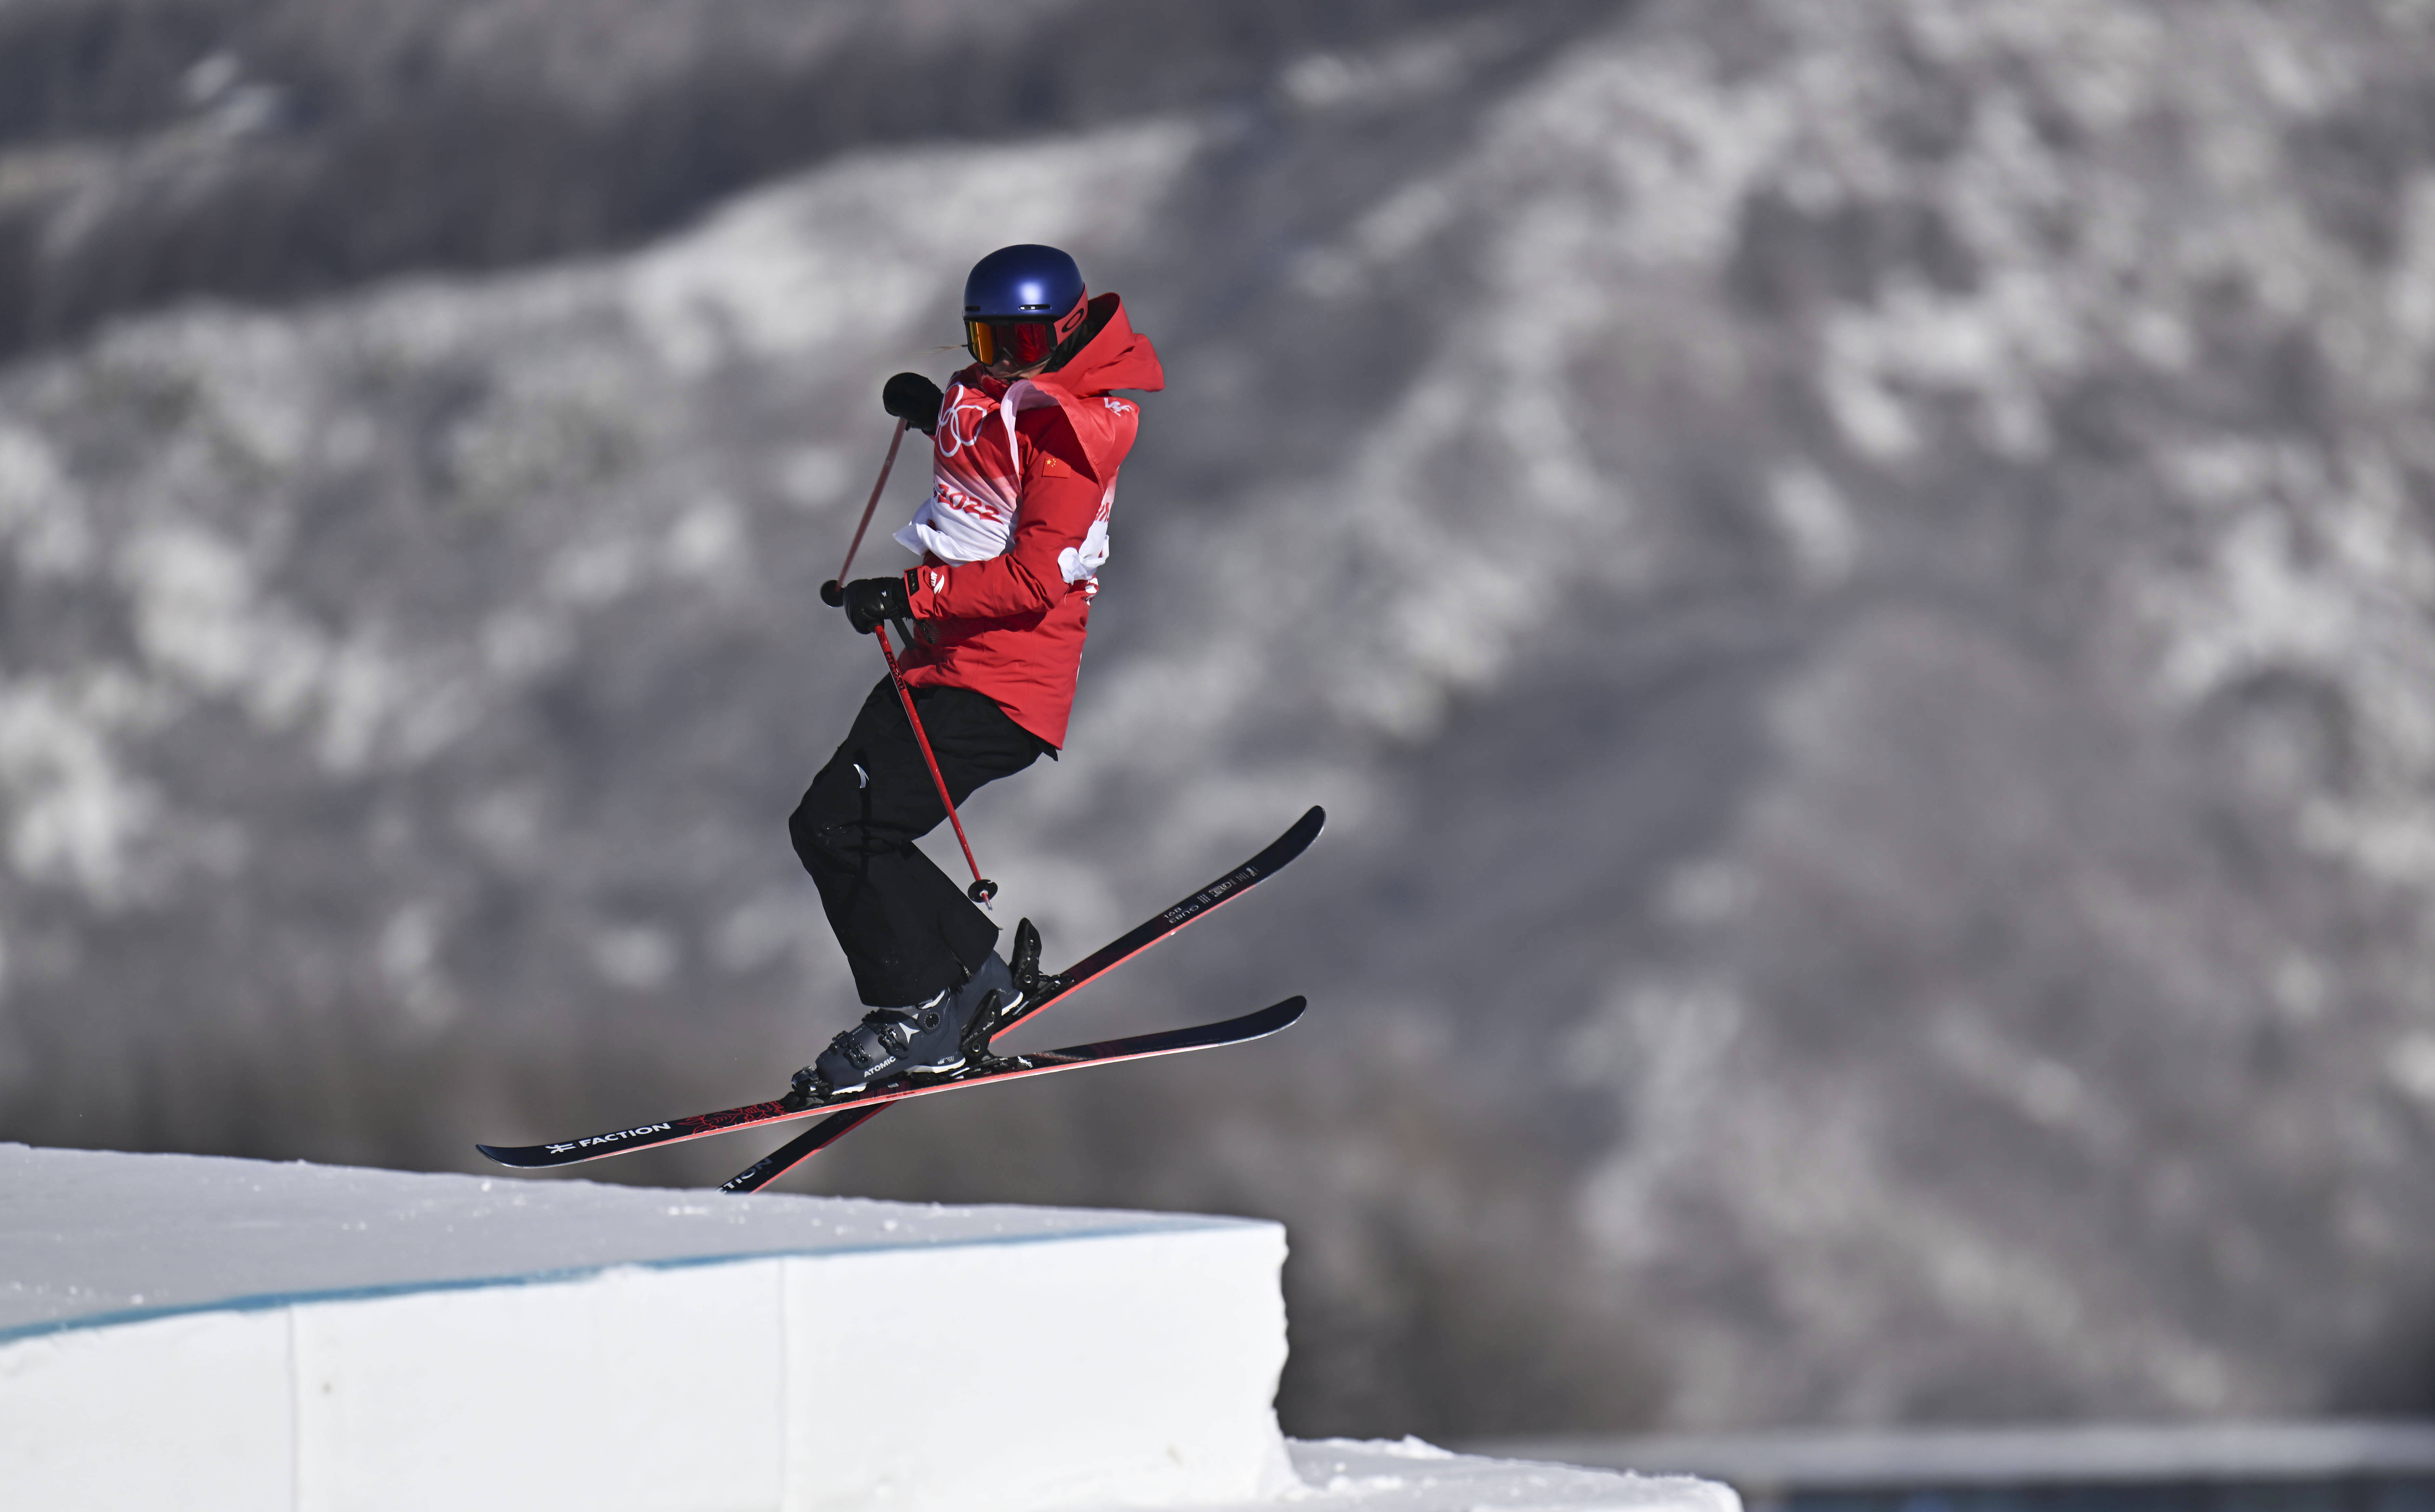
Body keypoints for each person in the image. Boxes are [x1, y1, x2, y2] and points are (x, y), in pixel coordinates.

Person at [788, 244, 1165, 1098]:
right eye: (984, 345)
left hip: (1000, 687)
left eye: (1020, 348)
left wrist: (907, 592)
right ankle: (970, 977)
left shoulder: (1075, 438)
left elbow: (1036, 572)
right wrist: (936, 416)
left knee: (843, 827)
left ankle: (916, 1011)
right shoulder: (1021, 397)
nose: (1001, 363)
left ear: (1065, 336)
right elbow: (999, 458)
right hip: (946, 664)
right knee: (830, 824)